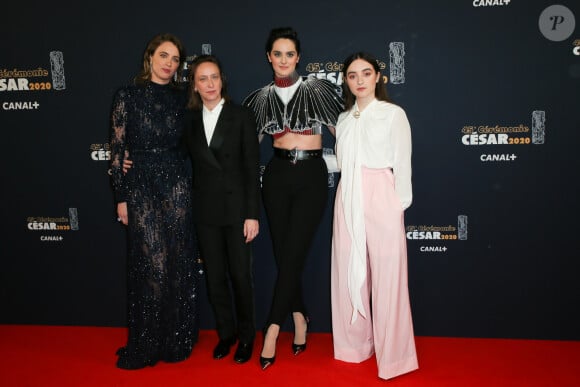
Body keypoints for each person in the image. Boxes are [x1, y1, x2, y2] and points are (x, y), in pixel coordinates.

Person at [243, 27, 343, 370]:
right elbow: (244, 150)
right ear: (268, 57)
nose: (283, 60)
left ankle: (271, 328)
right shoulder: (258, 98)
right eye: (277, 53)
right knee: (286, 254)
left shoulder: (318, 89)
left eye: (290, 54)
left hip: (311, 177)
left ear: (298, 57)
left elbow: (343, 134)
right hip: (276, 177)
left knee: (294, 250)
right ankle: (299, 317)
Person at [110, 33, 198, 369]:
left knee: (177, 263)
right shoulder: (127, 95)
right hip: (141, 184)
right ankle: (146, 343)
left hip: (176, 182)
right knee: (152, 265)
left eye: (175, 59)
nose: (169, 64)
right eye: (164, 56)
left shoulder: (183, 98)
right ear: (150, 58)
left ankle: (175, 340)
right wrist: (121, 197)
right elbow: (117, 150)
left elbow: (194, 141)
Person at [330, 52, 418, 380]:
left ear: (378, 76)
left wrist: (399, 204)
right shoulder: (342, 119)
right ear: (347, 81)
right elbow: (342, 162)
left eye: (366, 73)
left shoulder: (393, 114)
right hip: (348, 194)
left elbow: (403, 160)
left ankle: (395, 357)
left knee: (389, 276)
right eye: (352, 75)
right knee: (347, 272)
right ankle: (354, 347)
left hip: (383, 192)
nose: (360, 80)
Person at [182, 55, 260, 364]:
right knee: (214, 278)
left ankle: (246, 336)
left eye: (214, 77)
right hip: (205, 211)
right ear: (195, 85)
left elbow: (252, 169)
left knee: (240, 276)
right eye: (203, 79)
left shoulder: (241, 116)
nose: (210, 84)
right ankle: (226, 334)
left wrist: (252, 214)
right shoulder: (188, 120)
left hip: (238, 210)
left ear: (222, 80)